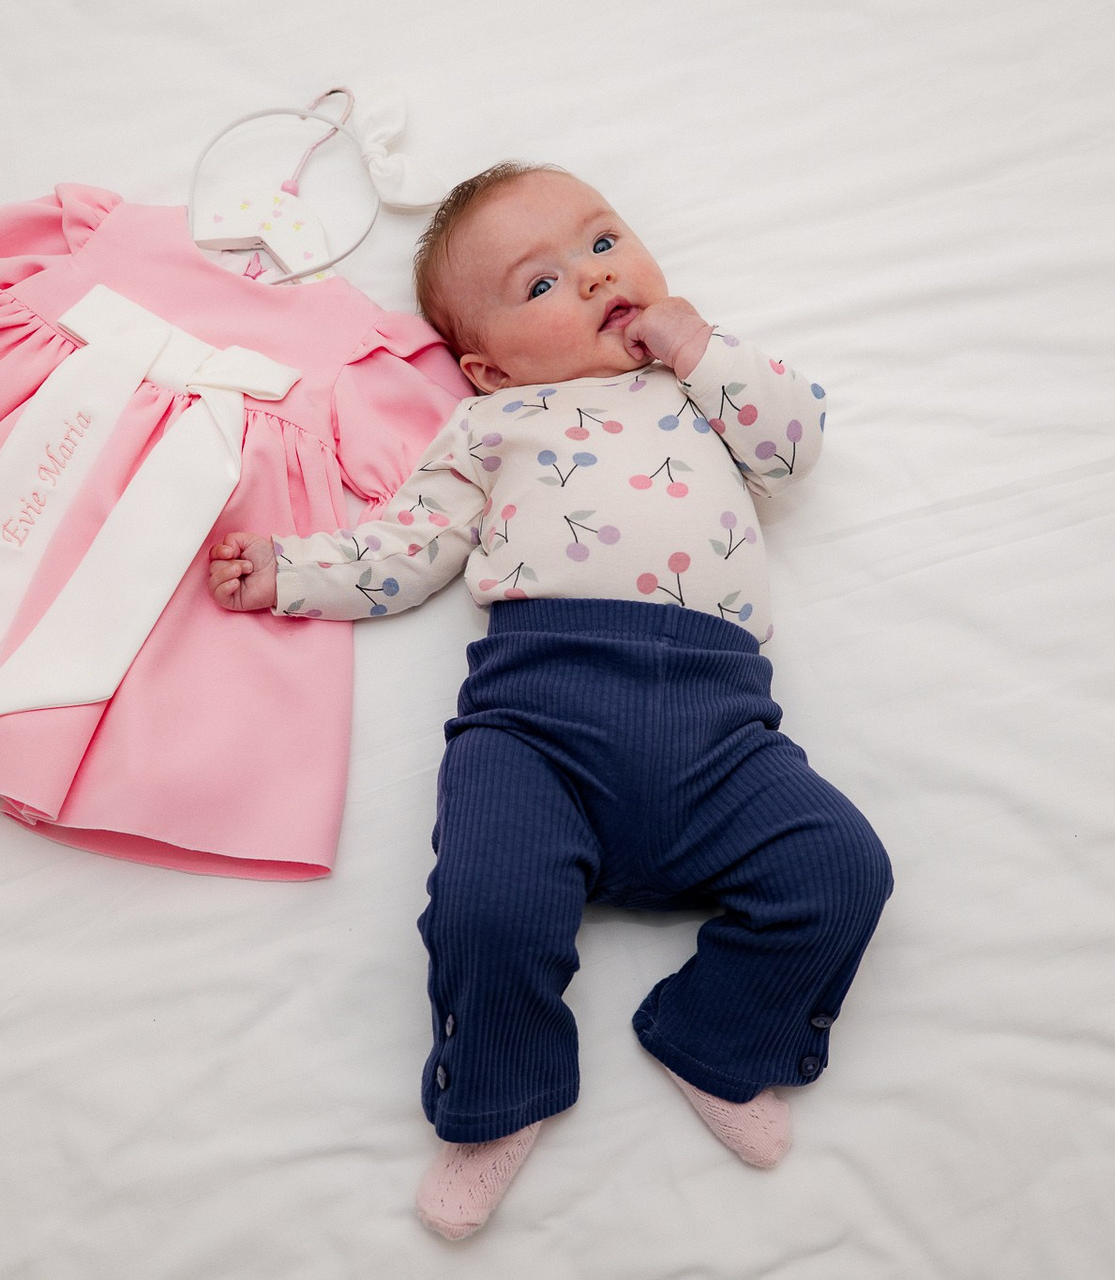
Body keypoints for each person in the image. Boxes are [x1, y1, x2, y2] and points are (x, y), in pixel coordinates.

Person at [207, 163, 892, 1240]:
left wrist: (699, 347)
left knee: (842, 870)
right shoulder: (494, 426)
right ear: (487, 367)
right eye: (540, 284)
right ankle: (500, 1090)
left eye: (603, 242)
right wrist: (291, 571)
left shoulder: (700, 387)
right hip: (537, 727)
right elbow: (407, 550)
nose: (593, 278)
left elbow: (795, 448)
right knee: (483, 909)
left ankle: (716, 1038)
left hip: (719, 731)